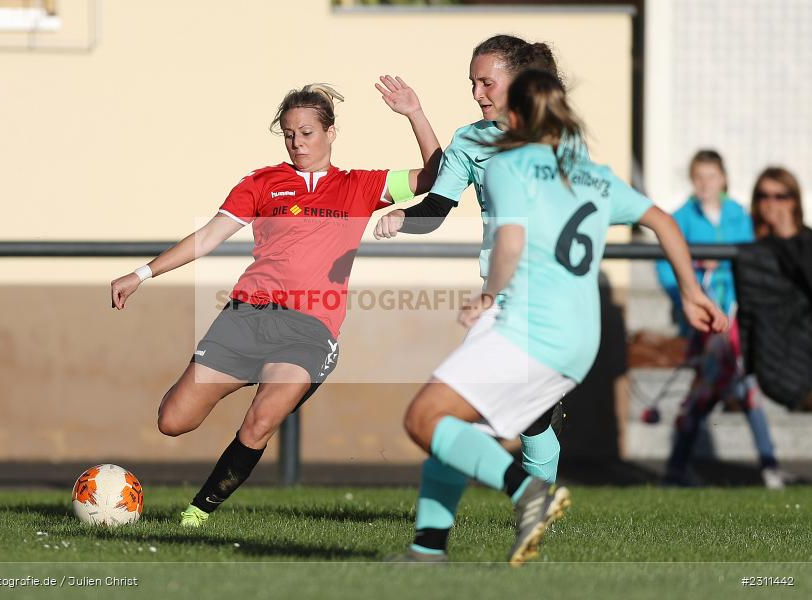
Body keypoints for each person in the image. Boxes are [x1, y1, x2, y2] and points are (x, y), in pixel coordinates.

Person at [395, 69, 727, 565]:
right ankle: (427, 550)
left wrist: (488, 297)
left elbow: (510, 242)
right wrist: (691, 291)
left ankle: (528, 492)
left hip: (527, 324)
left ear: (517, 114)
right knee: (459, 425)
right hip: (580, 339)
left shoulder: (511, 166)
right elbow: (662, 219)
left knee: (424, 418)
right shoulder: (595, 173)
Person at [110, 78, 441, 526]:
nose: (297, 142)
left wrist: (414, 113)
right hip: (245, 319)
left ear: (330, 133)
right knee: (173, 421)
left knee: (260, 421)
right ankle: (241, 376)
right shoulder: (263, 183)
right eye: (289, 133)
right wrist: (142, 273)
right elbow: (208, 237)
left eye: (307, 132)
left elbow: (438, 176)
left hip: (308, 329)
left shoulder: (360, 186)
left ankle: (197, 513)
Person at [373, 35, 568, 555]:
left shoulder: (554, 139)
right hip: (498, 301)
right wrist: (401, 216)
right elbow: (436, 208)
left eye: (488, 81)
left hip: (539, 303)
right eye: (473, 84)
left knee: (445, 417)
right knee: (525, 423)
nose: (479, 93)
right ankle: (519, 516)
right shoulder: (470, 140)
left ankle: (511, 508)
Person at [655, 150, 785, 489]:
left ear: (723, 179)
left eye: (711, 177)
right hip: (704, 322)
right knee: (729, 389)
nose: (704, 184)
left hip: (734, 317)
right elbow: (665, 264)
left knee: (720, 390)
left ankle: (678, 468)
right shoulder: (681, 217)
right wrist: (687, 288)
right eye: (698, 177)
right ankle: (767, 464)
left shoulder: (738, 215)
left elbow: (750, 261)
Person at [735, 167, 812, 413]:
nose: (771, 203)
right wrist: (746, 368)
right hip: (774, 360)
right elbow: (746, 313)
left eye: (781, 196)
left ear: (794, 202)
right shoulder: (747, 250)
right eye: (764, 196)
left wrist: (789, 236)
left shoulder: (807, 243)